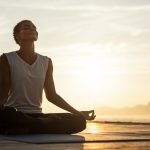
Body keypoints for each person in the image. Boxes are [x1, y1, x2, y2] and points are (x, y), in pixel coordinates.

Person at [0, 20, 96, 134]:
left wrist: (78, 113)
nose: (31, 29)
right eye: (26, 27)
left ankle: (31, 127)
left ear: (37, 36)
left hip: (37, 115)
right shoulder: (6, 59)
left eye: (34, 28)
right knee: (5, 116)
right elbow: (3, 91)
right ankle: (39, 126)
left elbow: (52, 96)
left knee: (79, 121)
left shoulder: (46, 61)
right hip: (15, 114)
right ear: (17, 36)